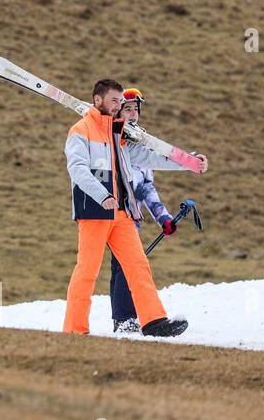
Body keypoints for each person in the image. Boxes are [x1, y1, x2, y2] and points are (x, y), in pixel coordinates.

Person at [63, 79, 206, 337]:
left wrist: (188, 161)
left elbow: (150, 158)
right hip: (95, 210)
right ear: (98, 100)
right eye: (114, 101)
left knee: (138, 266)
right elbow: (77, 169)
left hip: (123, 211)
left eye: (121, 102)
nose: (119, 106)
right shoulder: (80, 130)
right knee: (87, 270)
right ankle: (75, 329)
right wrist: (101, 194)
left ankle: (153, 321)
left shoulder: (119, 135)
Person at [108, 87, 178, 333]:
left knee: (123, 267)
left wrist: (163, 217)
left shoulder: (139, 142)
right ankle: (125, 319)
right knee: (126, 266)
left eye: (136, 109)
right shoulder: (113, 141)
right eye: (128, 109)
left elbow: (146, 187)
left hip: (132, 218)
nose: (134, 114)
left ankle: (124, 319)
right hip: (112, 214)